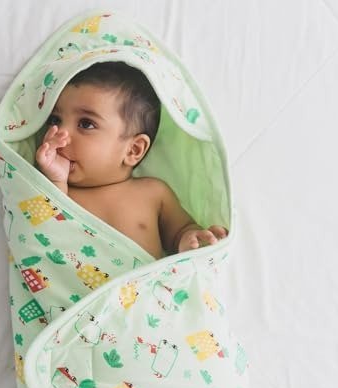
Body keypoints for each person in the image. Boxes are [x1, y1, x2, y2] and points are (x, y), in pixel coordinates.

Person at [35, 61, 227, 259]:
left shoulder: (153, 193)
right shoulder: (61, 192)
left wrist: (191, 239)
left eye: (86, 124)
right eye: (55, 120)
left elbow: (180, 231)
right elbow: (47, 232)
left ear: (133, 149)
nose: (60, 133)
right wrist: (56, 182)